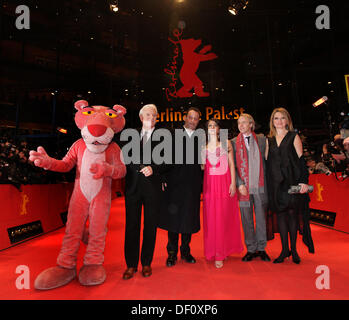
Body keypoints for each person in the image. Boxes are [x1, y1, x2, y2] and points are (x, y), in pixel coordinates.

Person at [122, 104, 169, 279]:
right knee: (131, 226)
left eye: (154, 115)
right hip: (133, 187)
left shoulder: (164, 137)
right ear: (141, 118)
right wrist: (140, 167)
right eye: (148, 114)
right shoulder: (130, 135)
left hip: (152, 188)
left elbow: (169, 161)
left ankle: (146, 263)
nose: (152, 117)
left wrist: (154, 168)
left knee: (150, 227)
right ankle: (131, 265)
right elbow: (124, 158)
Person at [265, 108, 314, 264]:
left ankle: (294, 251)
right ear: (272, 121)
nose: (279, 121)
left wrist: (303, 182)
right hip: (275, 185)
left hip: (291, 183)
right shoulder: (269, 140)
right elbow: (267, 164)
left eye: (282, 118)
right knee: (280, 216)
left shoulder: (294, 136)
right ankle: (284, 250)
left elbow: (301, 161)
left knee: (292, 215)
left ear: (287, 120)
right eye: (276, 118)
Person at [158, 107, 203, 266]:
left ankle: (186, 251)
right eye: (190, 117)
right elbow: (163, 157)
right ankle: (171, 253)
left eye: (195, 118)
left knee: (188, 218)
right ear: (185, 118)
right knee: (173, 219)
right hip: (174, 184)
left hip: (192, 186)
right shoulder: (173, 135)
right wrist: (162, 177)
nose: (192, 121)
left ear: (198, 121)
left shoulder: (201, 138)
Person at [201, 118, 243, 268]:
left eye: (215, 125)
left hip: (225, 184)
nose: (212, 128)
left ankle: (222, 251)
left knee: (224, 217)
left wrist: (233, 183)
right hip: (210, 186)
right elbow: (202, 168)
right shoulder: (203, 146)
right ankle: (216, 251)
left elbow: (232, 164)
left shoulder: (226, 143)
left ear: (219, 129)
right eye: (209, 126)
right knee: (213, 219)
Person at [231, 113, 270, 262]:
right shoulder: (233, 142)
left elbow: (267, 162)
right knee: (246, 219)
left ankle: (261, 248)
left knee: (261, 218)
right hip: (243, 189)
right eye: (239, 123)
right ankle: (251, 249)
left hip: (260, 186)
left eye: (244, 122)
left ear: (251, 124)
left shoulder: (262, 139)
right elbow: (233, 166)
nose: (241, 125)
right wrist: (239, 184)